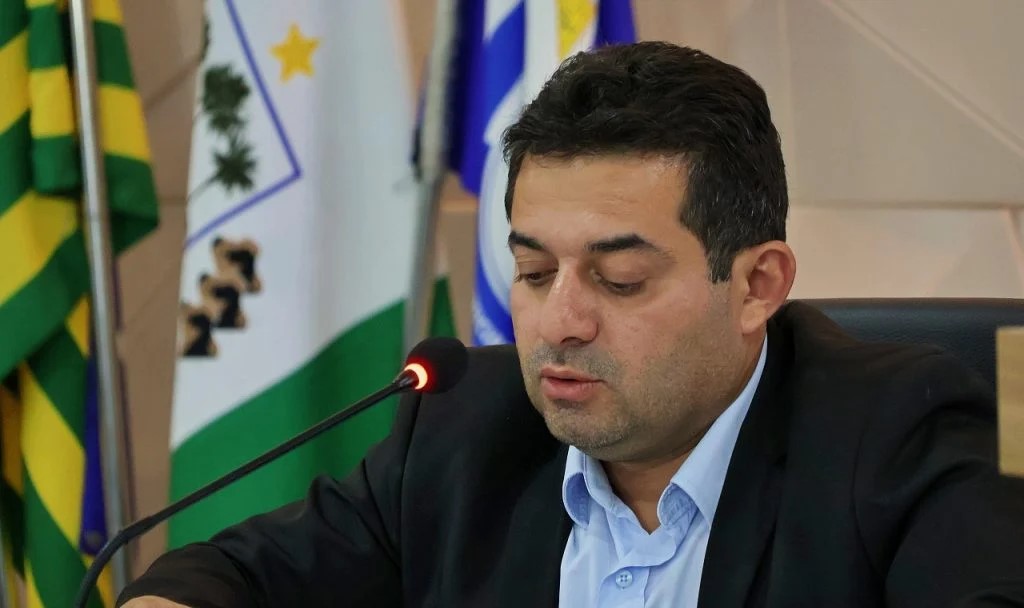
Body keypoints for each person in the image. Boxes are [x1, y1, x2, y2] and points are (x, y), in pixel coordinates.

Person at [120, 42, 1024, 607]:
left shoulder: (897, 433)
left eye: (620, 280)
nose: (560, 320)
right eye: (533, 271)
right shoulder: (463, 427)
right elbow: (236, 576)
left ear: (758, 285)